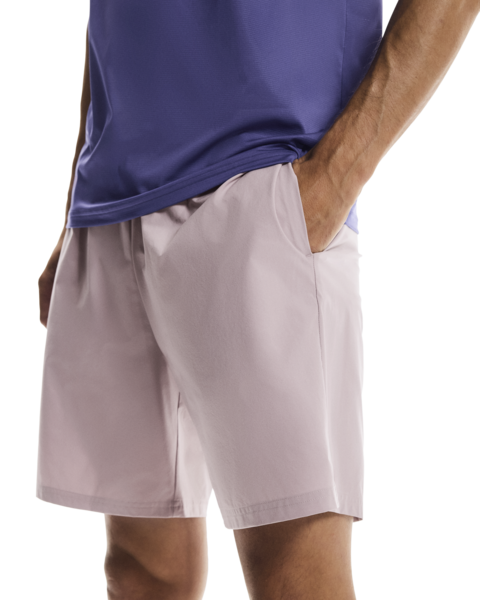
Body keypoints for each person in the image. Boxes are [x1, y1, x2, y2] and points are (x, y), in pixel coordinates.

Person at [35, 1, 479, 599]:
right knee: (140, 569)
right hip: (112, 195)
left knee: (293, 572)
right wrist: (75, 204)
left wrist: (331, 181)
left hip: (261, 174)